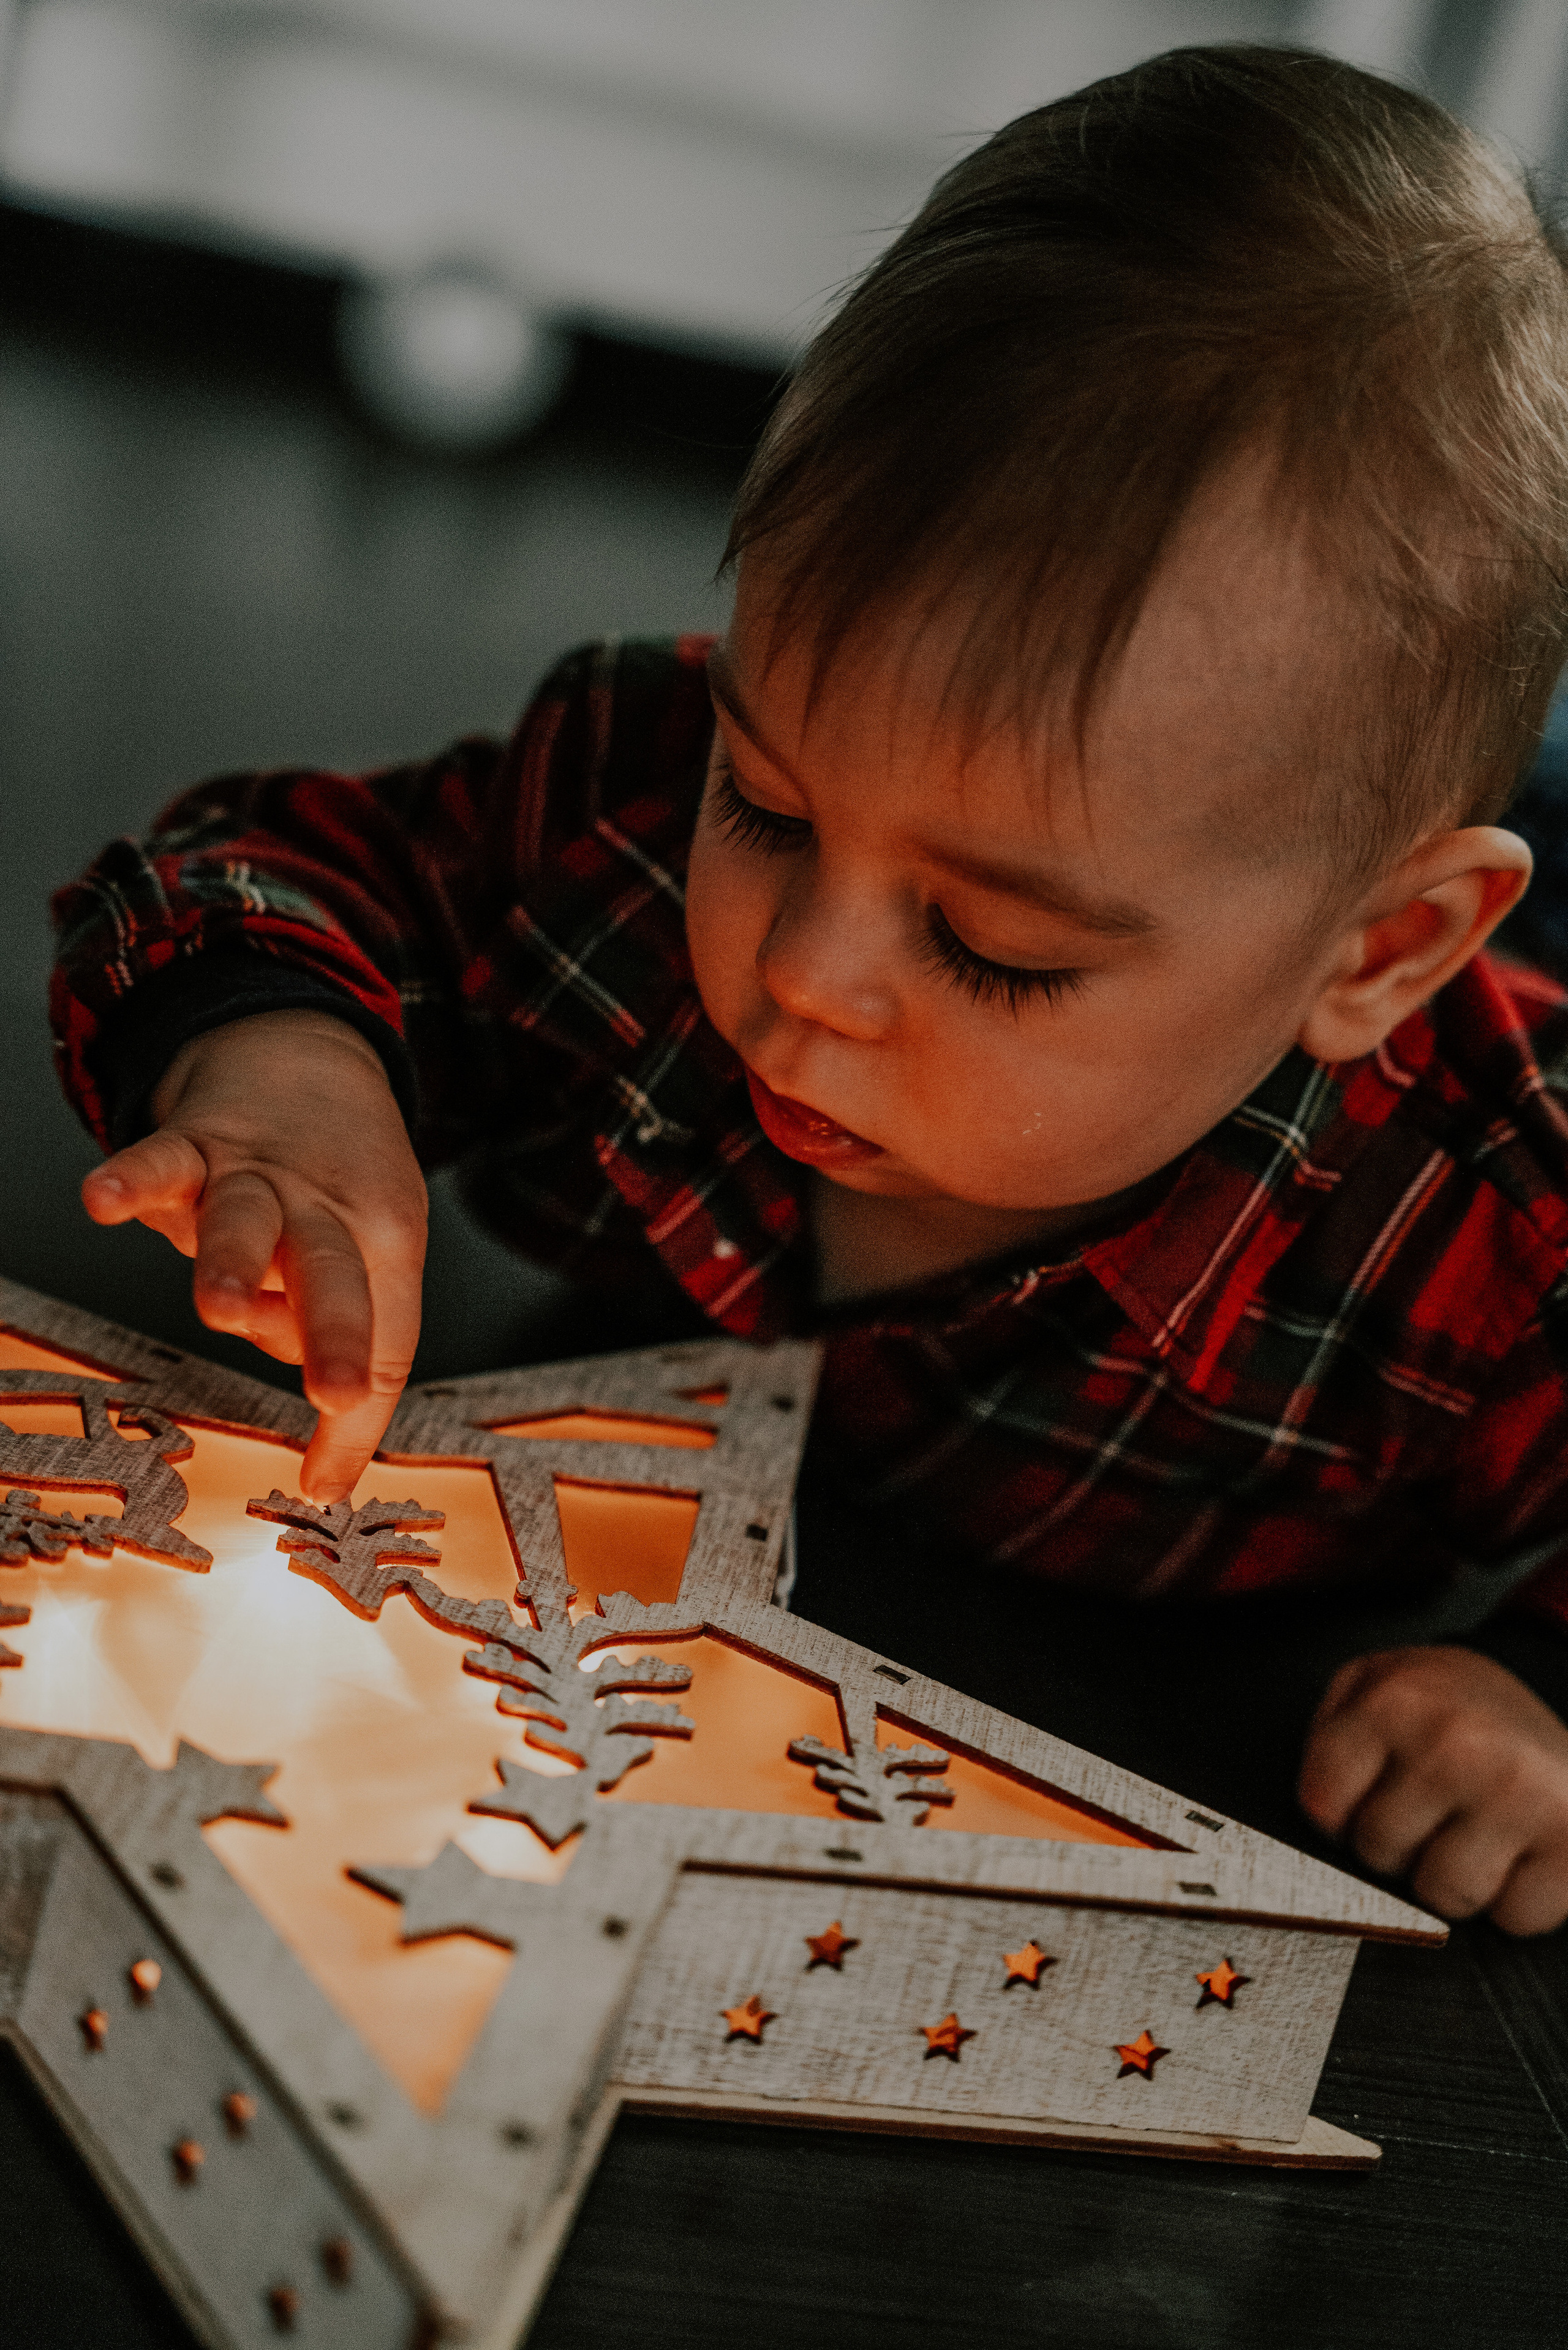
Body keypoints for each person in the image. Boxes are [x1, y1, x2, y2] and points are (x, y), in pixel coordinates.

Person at [48, 47, 1568, 1932]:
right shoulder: (613, 800)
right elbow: (239, 871)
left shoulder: (1499, 1224)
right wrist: (279, 1055)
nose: (804, 973)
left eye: (994, 946)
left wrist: (1541, 1709)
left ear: (1383, 952)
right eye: (764, 802)